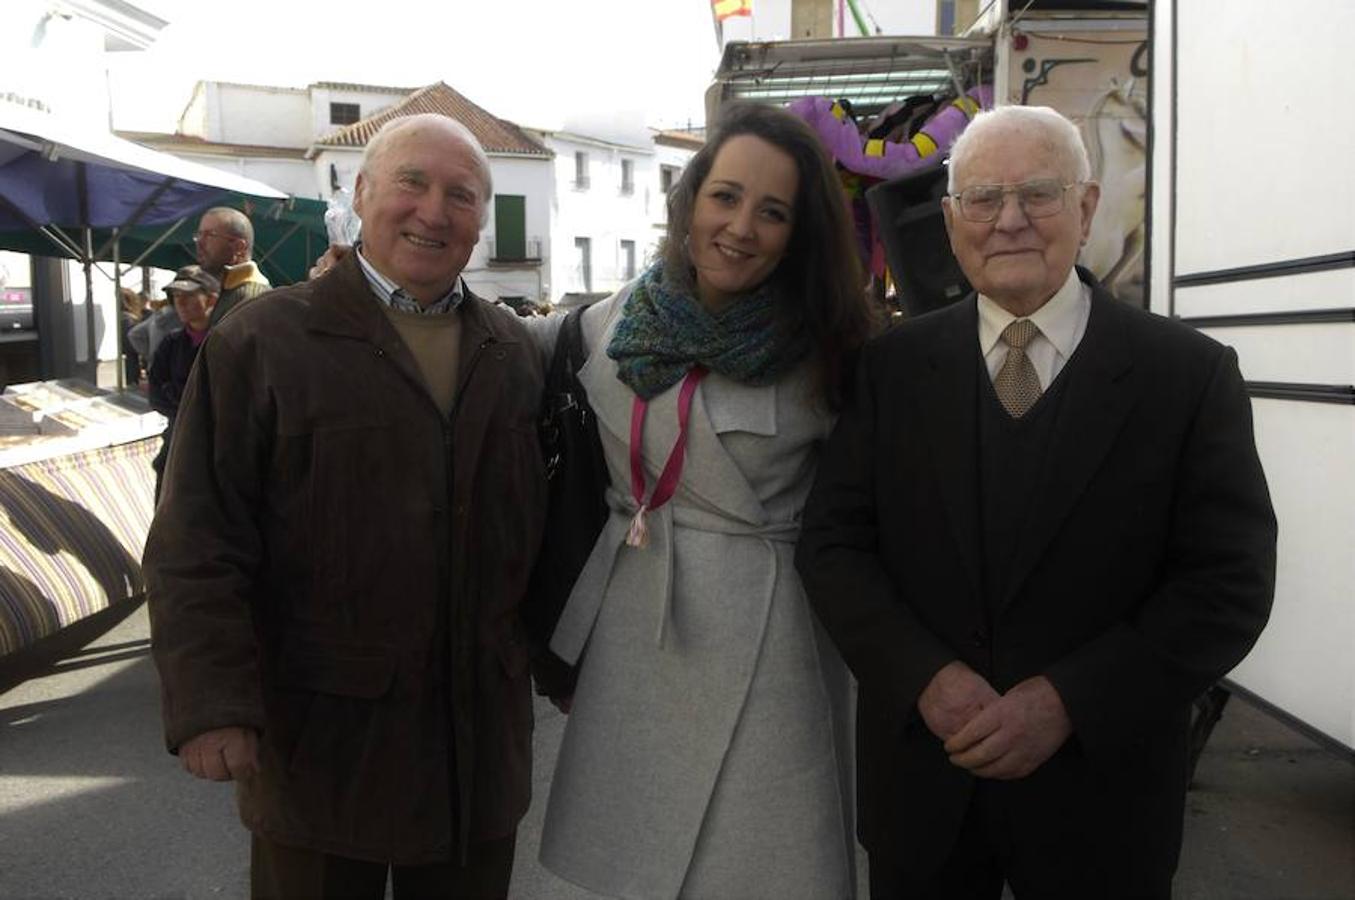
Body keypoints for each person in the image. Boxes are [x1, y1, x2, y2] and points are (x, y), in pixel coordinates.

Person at [796, 105, 1277, 900]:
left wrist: (1069, 701)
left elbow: (1226, 583)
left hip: (1103, 804)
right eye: (983, 199)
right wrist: (924, 677)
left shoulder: (1186, 377)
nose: (1009, 220)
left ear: (1086, 208)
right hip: (925, 788)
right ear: (951, 222)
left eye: (1038, 194)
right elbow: (834, 545)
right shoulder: (887, 370)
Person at [144, 113, 547, 900]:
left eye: (461, 195)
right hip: (321, 748)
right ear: (361, 196)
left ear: (478, 221)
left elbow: (544, 528)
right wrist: (211, 705)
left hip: (476, 755)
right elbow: (197, 535)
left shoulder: (513, 352)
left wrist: (563, 659)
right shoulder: (261, 341)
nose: (434, 211)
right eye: (411, 183)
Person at [536, 102, 876, 900]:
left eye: (773, 211)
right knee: (631, 861)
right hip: (635, 632)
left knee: (761, 861)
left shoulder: (836, 348)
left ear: (800, 233)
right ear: (690, 199)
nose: (740, 227)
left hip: (773, 642)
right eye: (725, 196)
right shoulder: (602, 326)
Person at [146, 265, 218, 500]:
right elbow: (155, 393)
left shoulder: (225, 342)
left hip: (216, 446)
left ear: (210, 300)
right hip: (177, 439)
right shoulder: (171, 344)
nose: (181, 303)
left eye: (188, 296)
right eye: (176, 297)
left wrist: (176, 394)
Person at [193, 205, 271, 326]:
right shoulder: (229, 290)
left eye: (210, 235)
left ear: (239, 247)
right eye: (199, 234)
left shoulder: (251, 299)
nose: (199, 242)